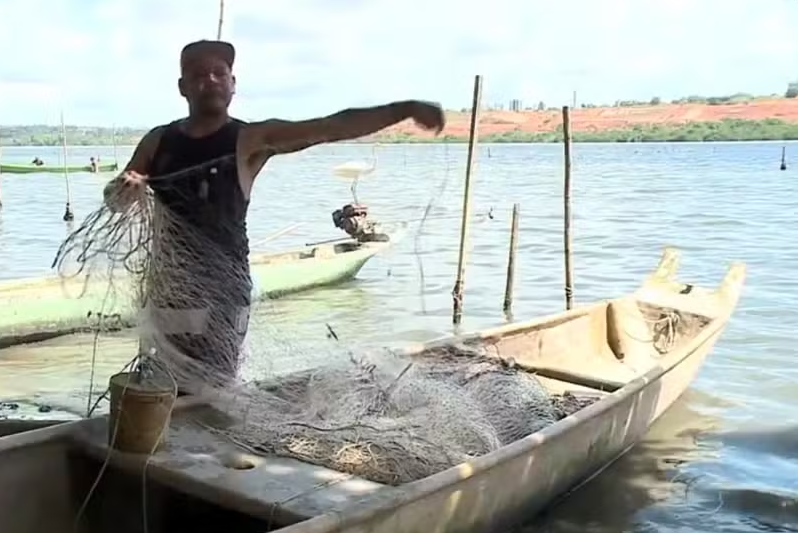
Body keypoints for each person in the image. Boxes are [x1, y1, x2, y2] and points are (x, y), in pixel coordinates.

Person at [103, 40, 445, 388]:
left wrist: (402, 109)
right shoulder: (158, 141)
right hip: (169, 289)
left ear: (233, 83)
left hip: (223, 289)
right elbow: (115, 200)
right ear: (182, 87)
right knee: (162, 383)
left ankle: (207, 439)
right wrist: (125, 186)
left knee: (214, 386)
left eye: (219, 73)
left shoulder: (250, 139)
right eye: (198, 74)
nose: (210, 80)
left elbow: (327, 127)